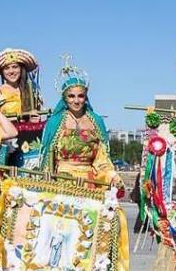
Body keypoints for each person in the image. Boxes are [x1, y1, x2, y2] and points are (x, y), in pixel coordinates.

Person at [38, 56, 119, 186]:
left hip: (89, 181)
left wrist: (111, 175)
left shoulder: (96, 121)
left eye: (80, 96)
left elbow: (102, 157)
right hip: (62, 182)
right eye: (71, 96)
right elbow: (48, 157)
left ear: (85, 97)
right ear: (65, 98)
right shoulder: (55, 122)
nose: (76, 101)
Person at [0, 48, 46, 169]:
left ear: (21, 69)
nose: (11, 71)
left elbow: (38, 113)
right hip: (8, 140)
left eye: (15, 67)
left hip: (28, 141)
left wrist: (35, 118)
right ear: (2, 72)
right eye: (7, 68)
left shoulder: (31, 91)